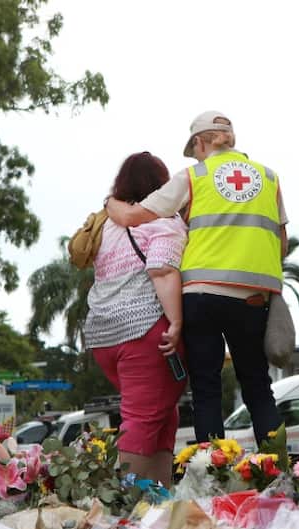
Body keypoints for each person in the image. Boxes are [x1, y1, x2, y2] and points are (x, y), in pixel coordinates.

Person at [106, 111, 287, 445]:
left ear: (200, 142)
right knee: (258, 389)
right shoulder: (269, 178)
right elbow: (281, 242)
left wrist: (110, 203)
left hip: (201, 296)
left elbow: (131, 217)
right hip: (252, 298)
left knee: (206, 389)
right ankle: (278, 476)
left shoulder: (194, 176)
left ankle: (212, 477)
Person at [84, 152, 188, 485]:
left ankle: (159, 500)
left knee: (162, 415)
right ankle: (121, 509)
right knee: (143, 419)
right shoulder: (162, 220)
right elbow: (162, 269)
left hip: (103, 338)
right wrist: (175, 322)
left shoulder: (108, 227)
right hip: (144, 333)